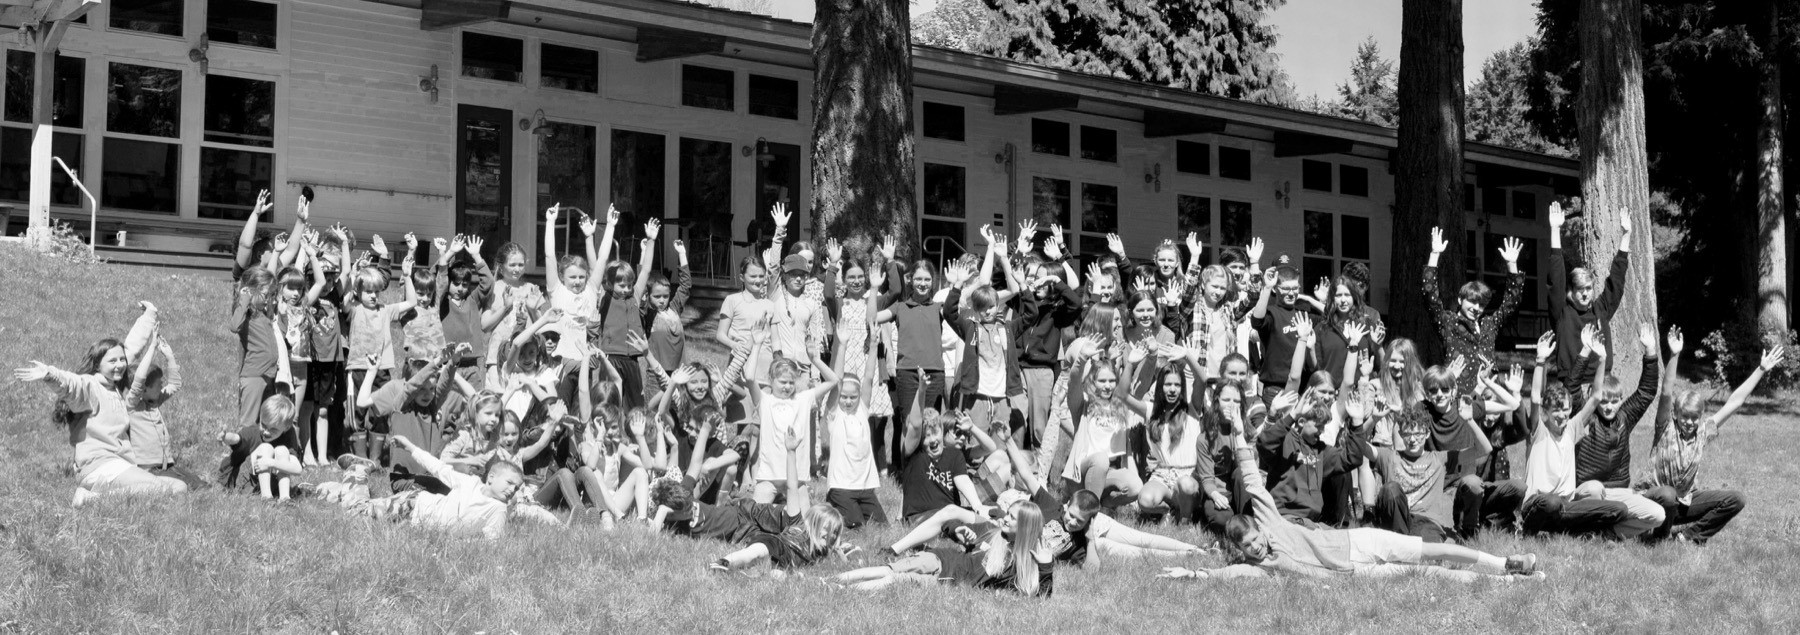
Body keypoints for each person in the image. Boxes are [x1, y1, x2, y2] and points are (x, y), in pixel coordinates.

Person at [1154, 430, 1542, 583]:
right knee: (1428, 574)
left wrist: (1240, 434)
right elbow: (1228, 576)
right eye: (1250, 548)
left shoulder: (1272, 525)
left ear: (1258, 529)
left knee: (1432, 550)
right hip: (1355, 573)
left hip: (1359, 543)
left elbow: (1254, 483)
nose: (1257, 547)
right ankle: (1504, 582)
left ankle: (1505, 562)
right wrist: (1192, 574)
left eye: (1255, 540)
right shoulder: (1260, 570)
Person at [1639, 328, 1781, 544]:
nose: (1689, 422)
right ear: (1676, 415)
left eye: (1694, 417)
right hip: (1653, 500)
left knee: (1736, 499)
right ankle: (1657, 538)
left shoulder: (1703, 431)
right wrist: (1675, 355)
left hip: (1681, 503)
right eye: (1685, 416)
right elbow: (1666, 392)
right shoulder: (1665, 427)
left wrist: (1761, 369)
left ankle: (1688, 537)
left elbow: (1734, 403)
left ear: (1700, 416)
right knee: (1667, 494)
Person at [16, 338, 189, 505]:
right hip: (99, 465)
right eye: (112, 361)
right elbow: (72, 384)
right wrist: (49, 374)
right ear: (98, 364)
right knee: (157, 487)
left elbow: (134, 344)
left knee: (179, 486)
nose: (119, 364)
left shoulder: (117, 391)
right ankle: (90, 499)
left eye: (122, 360)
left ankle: (159, 516)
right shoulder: (91, 386)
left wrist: (150, 318)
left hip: (120, 464)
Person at [1520, 331, 1635, 538]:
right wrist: (1540, 360)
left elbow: (1597, 396)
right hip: (1538, 504)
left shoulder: (1572, 429)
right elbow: (1536, 397)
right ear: (1546, 413)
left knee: (1617, 509)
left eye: (1565, 409)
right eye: (1556, 410)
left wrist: (1602, 359)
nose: (1562, 415)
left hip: (1566, 506)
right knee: (1552, 502)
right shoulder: (1539, 430)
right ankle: (1529, 530)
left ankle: (1569, 531)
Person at [313, 435, 527, 539]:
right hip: (414, 504)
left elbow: (491, 543)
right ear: (491, 477)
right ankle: (358, 469)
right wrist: (411, 447)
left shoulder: (498, 509)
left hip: (415, 524)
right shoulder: (470, 482)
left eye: (516, 488)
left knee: (364, 509)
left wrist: (459, 544)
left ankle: (328, 490)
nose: (512, 490)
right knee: (356, 513)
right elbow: (439, 468)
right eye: (509, 483)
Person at [831, 500, 1054, 597]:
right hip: (939, 558)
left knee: (896, 579)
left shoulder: (1016, 563)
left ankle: (842, 590)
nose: (1005, 519)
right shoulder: (990, 529)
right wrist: (959, 531)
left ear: (1024, 528)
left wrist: (1046, 568)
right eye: (1008, 514)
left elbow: (1037, 596)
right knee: (889, 569)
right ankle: (834, 580)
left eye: (1013, 519)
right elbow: (948, 523)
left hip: (947, 580)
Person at [1571, 323, 1666, 539]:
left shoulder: (1624, 418)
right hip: (1587, 491)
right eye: (1603, 401)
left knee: (1657, 515)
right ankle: (1585, 529)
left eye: (1614, 401)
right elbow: (1573, 389)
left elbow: (1646, 392)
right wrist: (1586, 351)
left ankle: (1607, 534)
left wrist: (1650, 351)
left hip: (1619, 492)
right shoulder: (1585, 418)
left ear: (1620, 400)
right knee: (1595, 488)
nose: (1608, 406)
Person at [708, 429, 846, 573]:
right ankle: (725, 562)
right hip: (775, 545)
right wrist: (791, 452)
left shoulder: (821, 555)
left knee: (776, 574)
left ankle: (753, 572)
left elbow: (842, 556)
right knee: (757, 552)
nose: (830, 534)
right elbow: (792, 487)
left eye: (835, 532)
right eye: (826, 527)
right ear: (814, 523)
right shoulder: (798, 526)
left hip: (783, 565)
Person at [1422, 227, 1525, 392]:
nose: (1476, 308)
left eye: (1482, 304)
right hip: (1459, 395)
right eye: (1472, 302)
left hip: (1489, 394)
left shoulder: (1489, 324)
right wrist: (1434, 254)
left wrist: (1512, 265)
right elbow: (1430, 295)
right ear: (1460, 300)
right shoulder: (1448, 322)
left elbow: (1511, 303)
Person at [1368, 403, 1489, 543]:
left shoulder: (1439, 459)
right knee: (1390, 489)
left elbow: (1483, 450)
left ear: (1427, 434)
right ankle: (1401, 544)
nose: (1412, 440)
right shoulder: (1388, 456)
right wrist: (1373, 419)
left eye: (1418, 434)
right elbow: (1356, 446)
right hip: (1397, 520)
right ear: (1400, 434)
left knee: (1428, 557)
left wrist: (1470, 421)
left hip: (1426, 522)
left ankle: (1405, 547)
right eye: (1407, 434)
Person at [1547, 202, 1632, 389]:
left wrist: (1626, 235)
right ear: (1571, 290)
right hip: (1571, 383)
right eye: (1580, 289)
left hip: (1601, 380)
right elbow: (1556, 277)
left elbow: (1616, 281)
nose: (1585, 294)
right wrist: (1555, 230)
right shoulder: (1562, 312)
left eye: (1588, 288)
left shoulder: (1600, 309)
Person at [824, 290, 886, 529]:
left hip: (865, 487)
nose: (848, 401)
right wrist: (842, 345)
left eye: (853, 397)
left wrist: (872, 344)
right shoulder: (834, 414)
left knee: (882, 528)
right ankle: (833, 502)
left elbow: (869, 377)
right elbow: (837, 381)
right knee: (856, 528)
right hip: (842, 488)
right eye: (845, 398)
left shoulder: (861, 409)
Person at [217, 394, 304, 499]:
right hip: (244, 482)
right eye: (264, 425)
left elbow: (297, 469)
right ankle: (266, 498)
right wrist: (225, 437)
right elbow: (237, 439)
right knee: (266, 448)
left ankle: (285, 499)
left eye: (273, 429)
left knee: (282, 450)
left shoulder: (289, 434)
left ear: (286, 427)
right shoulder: (253, 431)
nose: (266, 432)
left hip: (270, 481)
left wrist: (270, 463)